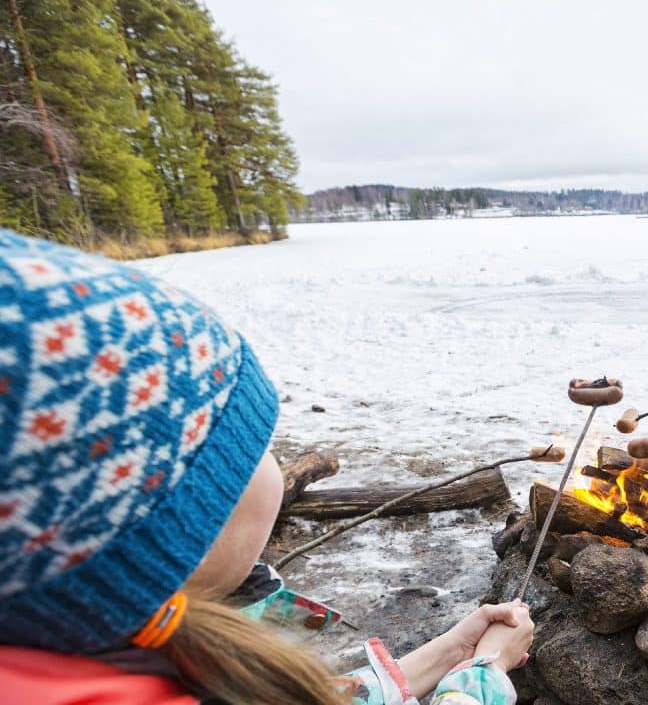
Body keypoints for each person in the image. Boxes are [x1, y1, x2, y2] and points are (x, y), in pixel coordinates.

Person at [0, 230, 533, 705]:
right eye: (251, 449)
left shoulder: (98, 651)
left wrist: (445, 655)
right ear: (179, 521)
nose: (274, 465)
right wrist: (480, 679)